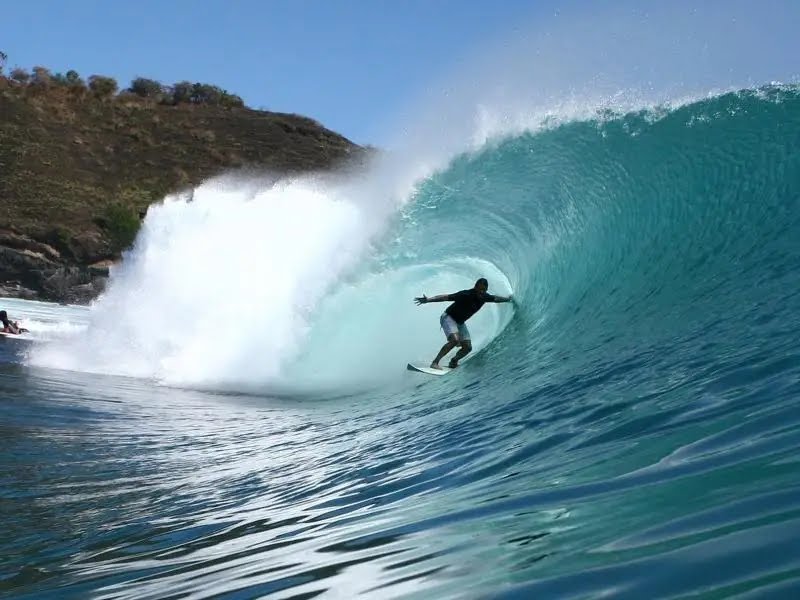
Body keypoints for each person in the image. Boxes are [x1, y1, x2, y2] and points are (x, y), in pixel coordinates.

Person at [415, 278, 512, 369]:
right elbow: (445, 297)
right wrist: (428, 300)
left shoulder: (485, 297)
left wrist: (508, 299)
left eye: (484, 290)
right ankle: (435, 363)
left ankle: (453, 361)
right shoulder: (465, 294)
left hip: (460, 322)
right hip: (449, 318)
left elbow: (496, 299)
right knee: (454, 340)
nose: (481, 292)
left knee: (467, 347)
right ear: (475, 287)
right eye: (480, 289)